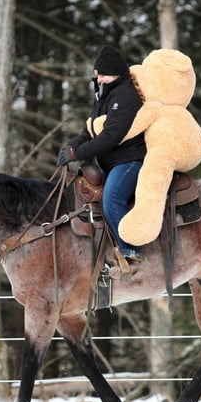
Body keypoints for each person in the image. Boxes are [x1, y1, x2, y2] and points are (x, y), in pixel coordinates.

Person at [57, 45, 146, 262]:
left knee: (111, 199)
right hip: (112, 163)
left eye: (104, 75)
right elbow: (90, 129)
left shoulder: (125, 97)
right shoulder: (103, 96)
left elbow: (110, 137)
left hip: (130, 161)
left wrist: (77, 153)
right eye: (98, 75)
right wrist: (71, 146)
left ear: (116, 74)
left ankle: (130, 251)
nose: (99, 79)